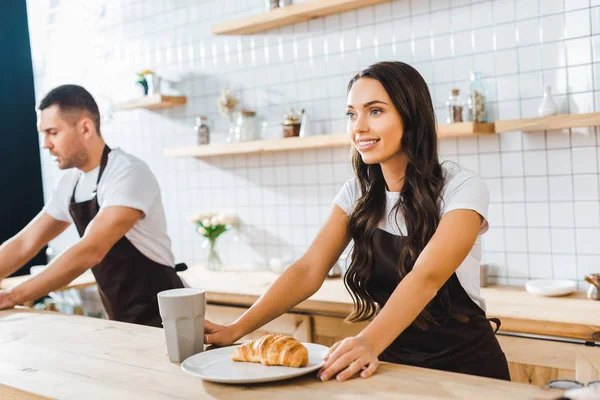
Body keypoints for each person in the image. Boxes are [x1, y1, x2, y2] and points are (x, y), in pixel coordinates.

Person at [202, 62, 510, 381]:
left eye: (375, 111)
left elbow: (426, 278)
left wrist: (367, 341)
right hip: (393, 366)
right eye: (352, 114)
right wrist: (236, 329)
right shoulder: (357, 194)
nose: (358, 127)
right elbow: (309, 269)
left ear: (411, 115)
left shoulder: (461, 188)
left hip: (468, 370)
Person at [0, 84, 184, 326]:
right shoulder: (70, 183)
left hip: (168, 320)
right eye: (43, 133)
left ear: (85, 127)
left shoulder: (128, 173)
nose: (45, 144)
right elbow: (26, 242)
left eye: (53, 132)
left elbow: (90, 250)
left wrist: (12, 296)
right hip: (122, 321)